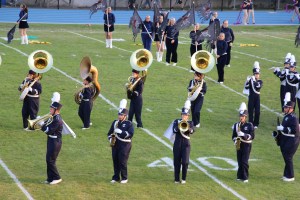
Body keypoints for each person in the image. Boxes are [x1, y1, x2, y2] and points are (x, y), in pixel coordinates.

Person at [107, 100, 134, 184]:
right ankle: (115, 177)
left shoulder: (129, 124)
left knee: (122, 161)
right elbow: (109, 133)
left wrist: (121, 132)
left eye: (121, 115)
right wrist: (111, 139)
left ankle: (124, 177)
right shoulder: (115, 123)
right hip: (116, 144)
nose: (119, 116)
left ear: (125, 115)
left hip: (125, 145)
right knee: (115, 160)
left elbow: (130, 134)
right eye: (119, 114)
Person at [276, 101, 300, 181]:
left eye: (286, 107)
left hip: (293, 140)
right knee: (286, 157)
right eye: (285, 107)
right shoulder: (287, 116)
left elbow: (295, 130)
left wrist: (283, 129)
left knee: (288, 157)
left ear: (291, 109)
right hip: (287, 139)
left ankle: (290, 176)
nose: (285, 109)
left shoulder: (293, 118)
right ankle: (286, 174)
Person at [41, 101, 63, 185]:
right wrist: (41, 122)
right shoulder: (52, 117)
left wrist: (42, 125)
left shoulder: (57, 120)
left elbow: (49, 131)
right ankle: (50, 178)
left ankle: (57, 177)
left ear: (56, 110)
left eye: (52, 108)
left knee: (50, 160)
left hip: (55, 142)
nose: (50, 109)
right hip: (51, 140)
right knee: (48, 160)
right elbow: (46, 125)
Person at [172, 104, 195, 184]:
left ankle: (184, 178)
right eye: (183, 114)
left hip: (186, 144)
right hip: (177, 143)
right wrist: (179, 126)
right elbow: (174, 130)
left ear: (188, 116)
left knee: (185, 162)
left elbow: (192, 131)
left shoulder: (190, 122)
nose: (184, 116)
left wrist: (187, 127)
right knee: (176, 162)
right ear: (181, 115)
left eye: (186, 115)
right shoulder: (176, 121)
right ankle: (177, 179)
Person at [232, 105, 255, 183]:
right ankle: (239, 176)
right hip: (238, 143)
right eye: (240, 116)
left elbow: (252, 136)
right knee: (239, 160)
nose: (241, 118)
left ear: (245, 117)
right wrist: (235, 140)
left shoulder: (249, 125)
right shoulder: (236, 125)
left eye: (243, 116)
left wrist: (244, 135)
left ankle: (245, 177)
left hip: (246, 145)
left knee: (244, 161)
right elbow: (234, 136)